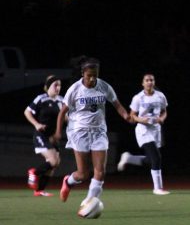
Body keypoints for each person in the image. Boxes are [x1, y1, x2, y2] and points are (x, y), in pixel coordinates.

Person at [54, 57, 130, 203]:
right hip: (79, 132)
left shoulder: (104, 86)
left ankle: (89, 201)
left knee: (100, 172)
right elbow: (62, 112)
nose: (92, 78)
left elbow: (117, 105)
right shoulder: (75, 89)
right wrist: (58, 131)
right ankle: (68, 182)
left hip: (99, 132)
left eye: (95, 75)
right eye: (89, 75)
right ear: (83, 73)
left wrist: (126, 116)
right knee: (83, 174)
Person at [117, 73, 170, 195]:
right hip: (143, 130)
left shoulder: (160, 96)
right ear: (143, 83)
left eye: (151, 80)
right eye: (147, 80)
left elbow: (164, 112)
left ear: (154, 82)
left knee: (151, 160)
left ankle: (129, 158)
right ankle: (157, 188)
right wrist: (141, 120)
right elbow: (132, 115)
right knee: (157, 157)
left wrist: (162, 118)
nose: (149, 82)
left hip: (156, 130)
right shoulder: (138, 98)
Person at [24, 75, 64, 196]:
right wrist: (36, 124)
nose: (58, 87)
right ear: (48, 87)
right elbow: (27, 112)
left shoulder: (62, 100)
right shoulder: (41, 98)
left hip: (53, 137)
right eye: (55, 85)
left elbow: (65, 118)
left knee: (55, 163)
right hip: (41, 135)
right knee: (52, 161)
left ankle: (39, 190)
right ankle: (34, 173)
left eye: (59, 85)